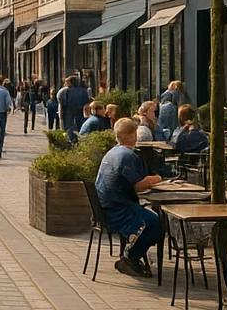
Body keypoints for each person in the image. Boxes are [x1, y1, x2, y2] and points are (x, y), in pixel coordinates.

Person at [94, 118, 165, 278]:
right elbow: (138, 185)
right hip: (119, 210)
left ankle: (133, 252)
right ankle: (131, 256)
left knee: (152, 220)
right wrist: (156, 179)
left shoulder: (113, 152)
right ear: (132, 136)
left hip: (106, 208)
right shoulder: (127, 156)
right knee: (155, 222)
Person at [58, 76, 90, 143]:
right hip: (80, 113)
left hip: (68, 113)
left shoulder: (65, 91)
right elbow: (87, 105)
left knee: (70, 130)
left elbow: (61, 105)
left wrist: (61, 116)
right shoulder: (84, 91)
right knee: (80, 129)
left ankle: (72, 142)